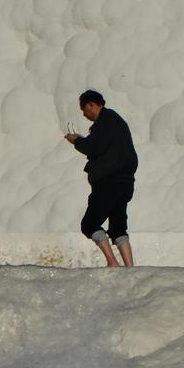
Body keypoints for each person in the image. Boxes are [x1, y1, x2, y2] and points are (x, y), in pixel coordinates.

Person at [64, 90, 138, 267]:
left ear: (91, 104)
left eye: (84, 109)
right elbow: (102, 145)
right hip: (125, 183)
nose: (84, 114)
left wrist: (76, 140)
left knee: (89, 224)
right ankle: (130, 268)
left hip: (108, 183)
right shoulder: (116, 121)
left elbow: (92, 148)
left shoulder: (104, 121)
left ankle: (112, 262)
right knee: (118, 227)